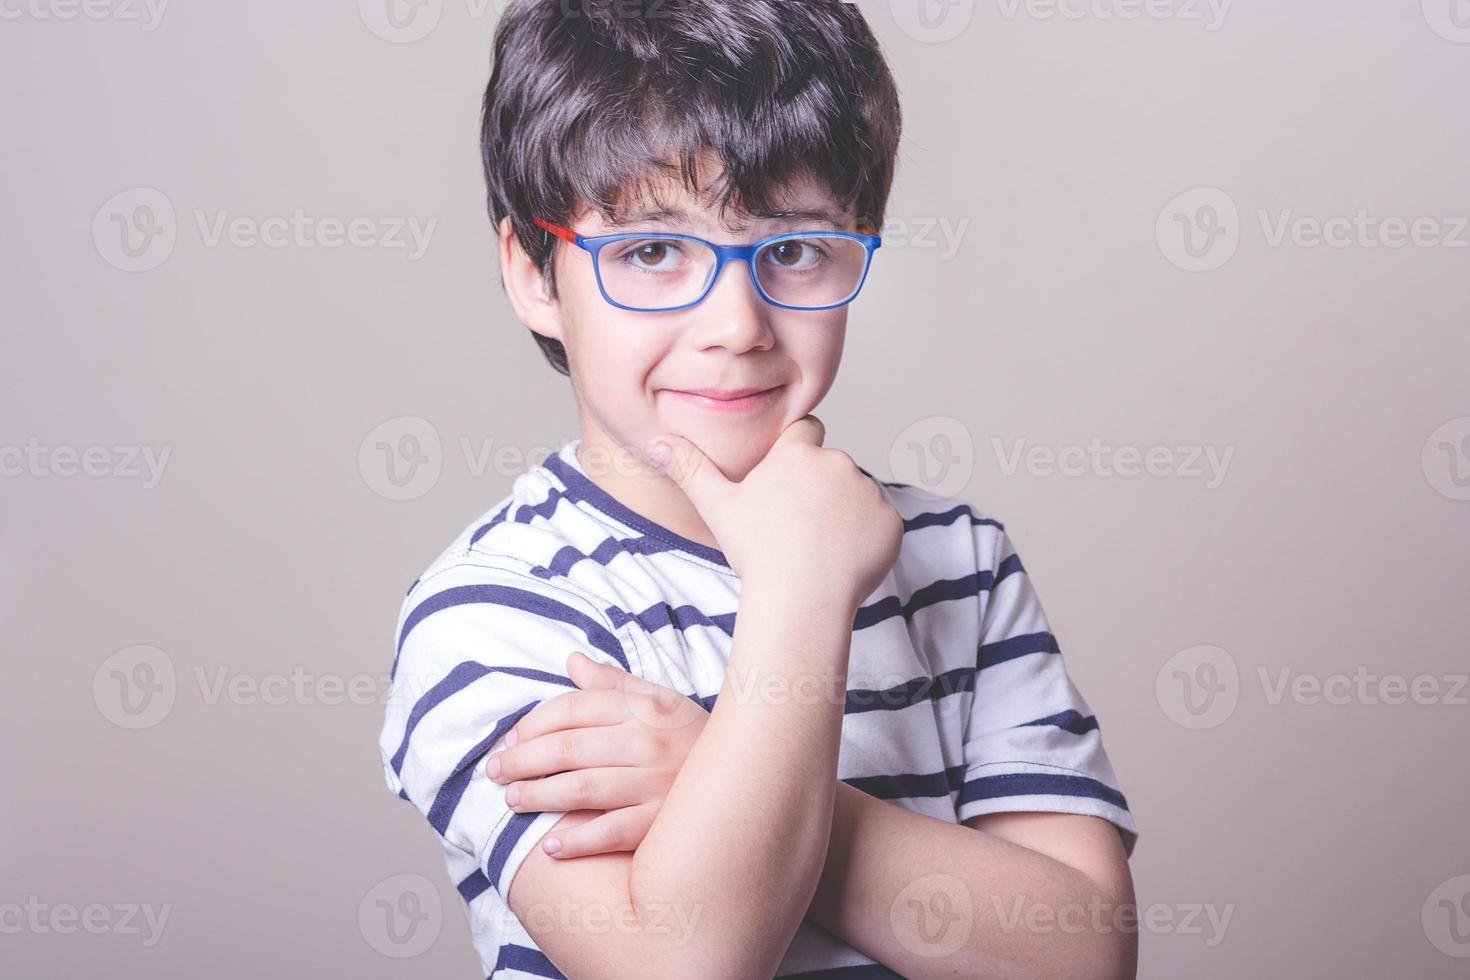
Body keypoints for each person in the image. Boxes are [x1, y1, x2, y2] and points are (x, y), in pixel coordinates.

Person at [379, 1, 1139, 976]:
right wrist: (800, 594)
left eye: (792, 248)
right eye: (652, 251)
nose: (737, 323)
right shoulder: (496, 614)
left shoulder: (956, 558)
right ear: (533, 271)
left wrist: (709, 772)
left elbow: (1084, 955)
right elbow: (682, 964)